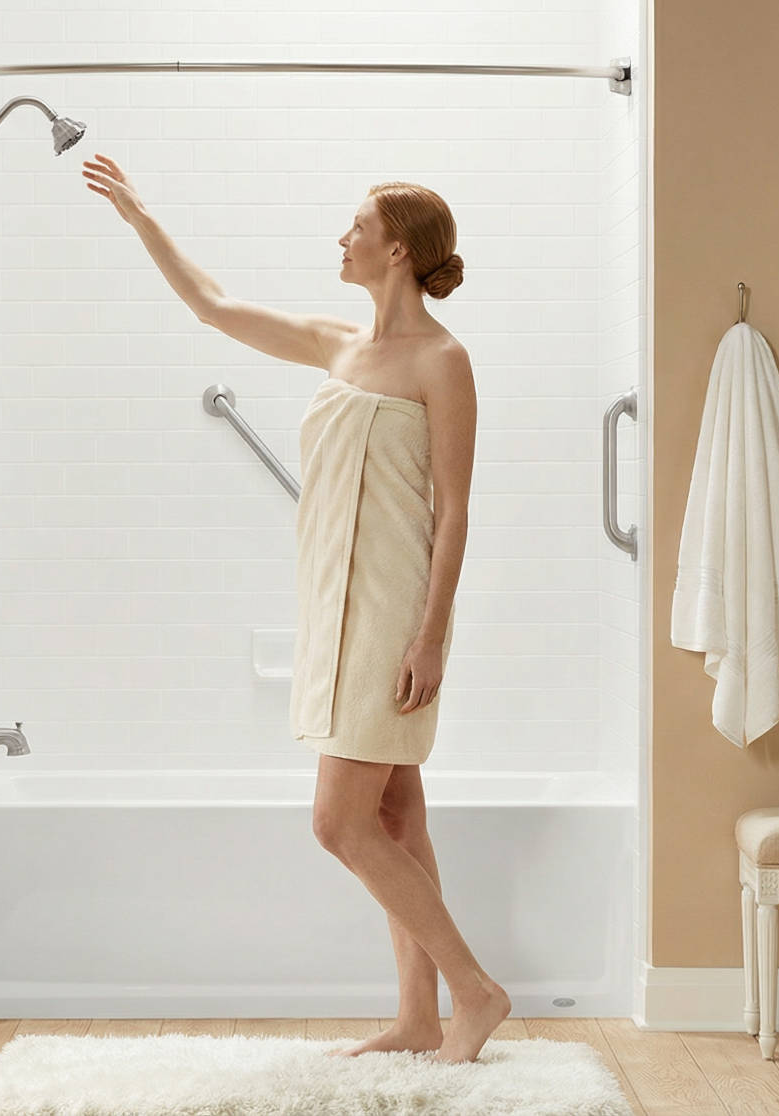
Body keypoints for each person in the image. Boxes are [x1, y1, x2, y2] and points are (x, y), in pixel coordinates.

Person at [82, 153, 505, 1064]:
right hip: (334, 605)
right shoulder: (337, 343)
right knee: (397, 819)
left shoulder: (444, 360)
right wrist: (141, 218)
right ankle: (420, 1018)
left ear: (396, 250)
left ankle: (476, 992)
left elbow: (458, 509)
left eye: (356, 226)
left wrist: (431, 638)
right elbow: (213, 305)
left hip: (395, 616)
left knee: (338, 824)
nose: (341, 238)